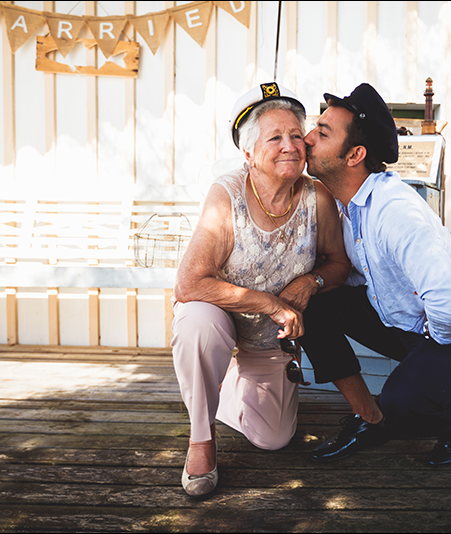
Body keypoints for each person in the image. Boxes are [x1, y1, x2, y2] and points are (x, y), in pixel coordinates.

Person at [300, 83, 451, 467]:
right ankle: (367, 418)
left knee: (404, 405)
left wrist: (432, 345)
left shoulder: (395, 212)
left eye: (322, 133)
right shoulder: (351, 207)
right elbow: (362, 275)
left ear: (355, 154)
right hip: (403, 320)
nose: (307, 138)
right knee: (313, 307)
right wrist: (310, 283)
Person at [171, 82, 350, 497]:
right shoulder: (227, 194)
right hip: (219, 320)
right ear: (248, 154)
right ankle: (201, 437)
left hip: (269, 341)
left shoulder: (314, 195)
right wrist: (270, 302)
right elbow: (189, 282)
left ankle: (225, 380)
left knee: (274, 438)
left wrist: (312, 280)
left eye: (296, 135)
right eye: (274, 137)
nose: (290, 145)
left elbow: (339, 264)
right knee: (198, 320)